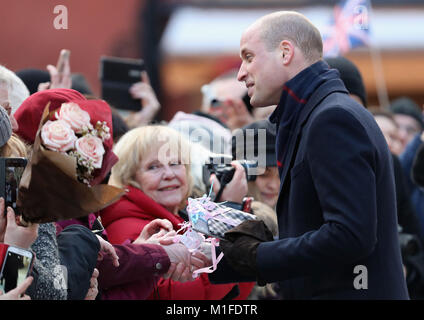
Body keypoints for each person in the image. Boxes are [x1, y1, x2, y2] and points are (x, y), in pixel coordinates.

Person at [211, 11, 409, 299]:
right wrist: (254, 248)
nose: (241, 73)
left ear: (285, 52)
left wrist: (258, 255)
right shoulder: (318, 114)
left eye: (249, 57)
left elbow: (350, 236)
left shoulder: (332, 118)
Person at [101, 125, 254, 300]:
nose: (169, 174)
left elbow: (239, 290)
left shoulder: (180, 219)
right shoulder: (129, 228)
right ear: (129, 178)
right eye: (153, 167)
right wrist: (226, 213)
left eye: (175, 163)